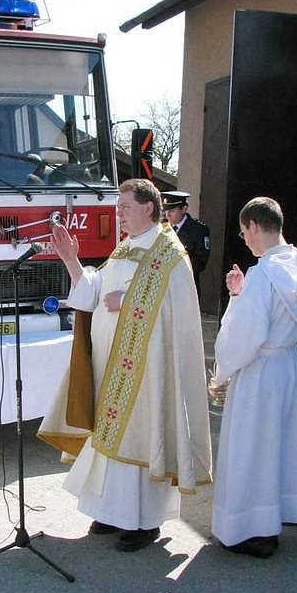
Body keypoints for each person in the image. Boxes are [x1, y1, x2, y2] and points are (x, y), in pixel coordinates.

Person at [38, 178, 212, 552]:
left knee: (141, 437)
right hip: (111, 364)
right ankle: (112, 512)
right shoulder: (126, 246)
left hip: (147, 370)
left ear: (149, 207)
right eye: (118, 206)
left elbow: (175, 311)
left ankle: (143, 522)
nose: (119, 213)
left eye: (125, 206)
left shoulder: (169, 252)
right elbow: (94, 294)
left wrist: (131, 299)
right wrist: (71, 259)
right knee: (110, 437)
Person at [211, 197, 297, 558]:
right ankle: (270, 523)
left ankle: (247, 529)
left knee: (250, 450)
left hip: (260, 372)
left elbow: (246, 336)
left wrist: (224, 366)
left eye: (243, 233)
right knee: (276, 448)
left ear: (254, 225)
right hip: (287, 367)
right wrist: (242, 293)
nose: (246, 241)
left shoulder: (264, 272)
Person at [161, 190, 210, 298]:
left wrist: (174, 271)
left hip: (185, 287)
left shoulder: (199, 230)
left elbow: (200, 262)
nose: (167, 214)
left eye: (172, 210)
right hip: (163, 288)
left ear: (184, 209)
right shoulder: (161, 228)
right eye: (165, 210)